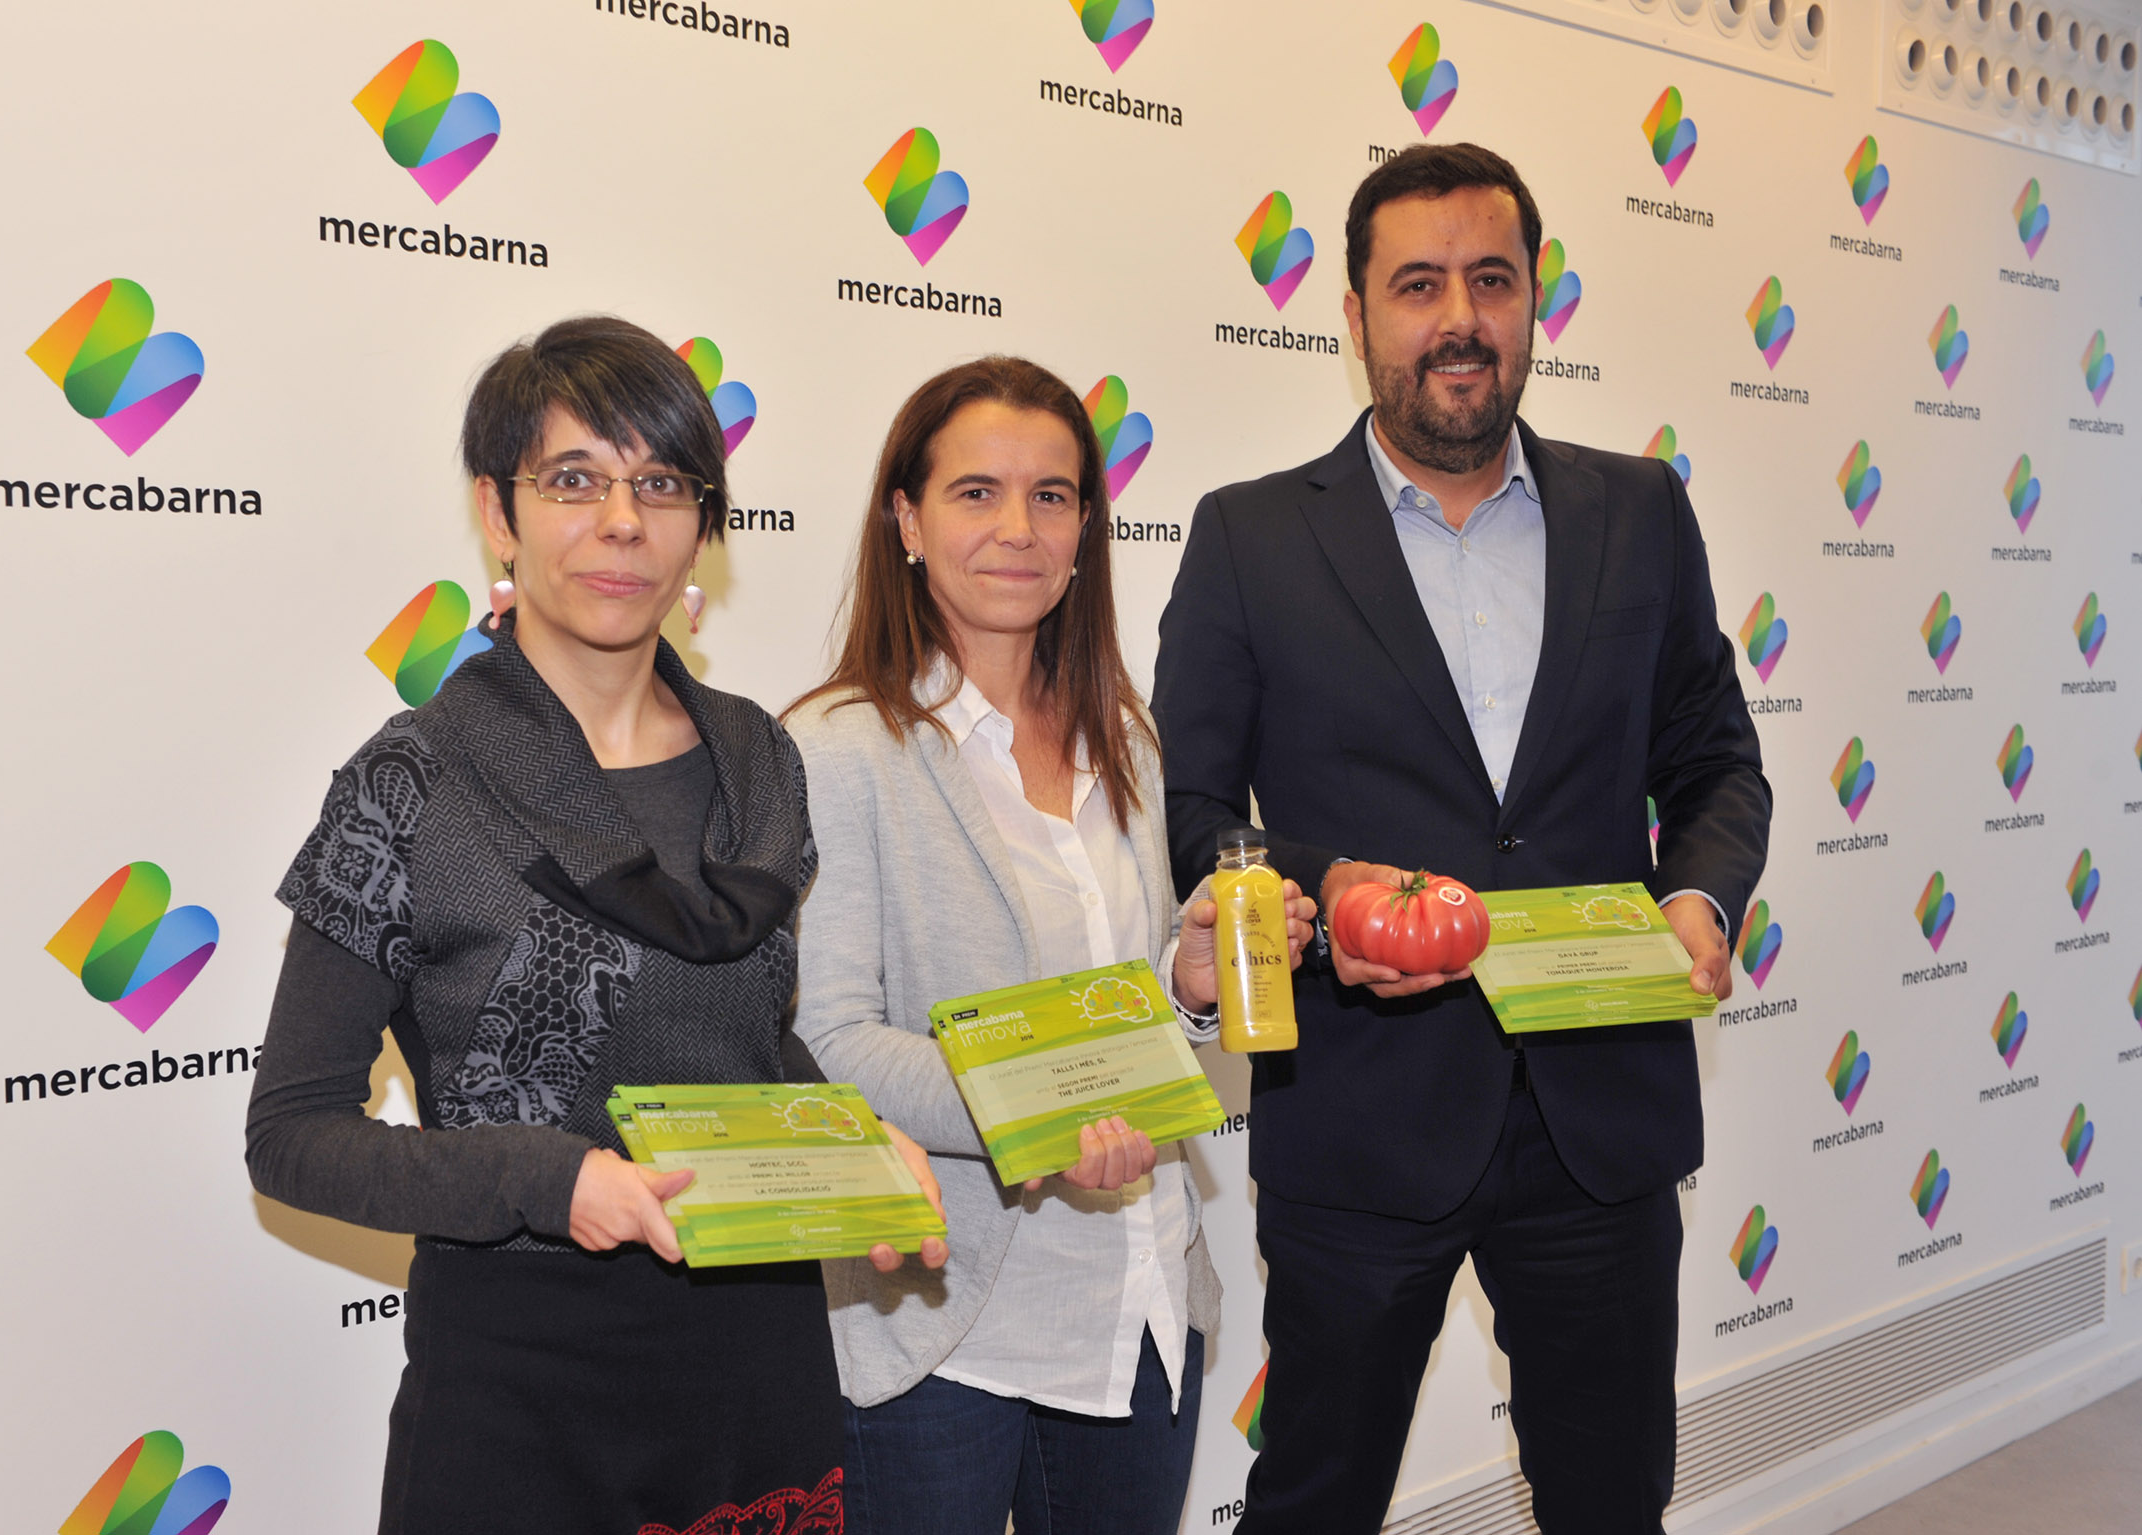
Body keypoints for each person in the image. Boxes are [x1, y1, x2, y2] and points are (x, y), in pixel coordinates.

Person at [1152, 144, 1772, 1533]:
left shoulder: (1641, 510)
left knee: (1610, 1501)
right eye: (1417, 283)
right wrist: (1327, 895)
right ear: (1354, 313)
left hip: (1598, 1117)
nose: (1459, 318)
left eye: (1490, 280)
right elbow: (1191, 814)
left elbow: (1713, 761)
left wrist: (1699, 899)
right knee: (1313, 1501)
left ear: (1533, 299)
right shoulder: (1250, 537)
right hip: (1360, 1118)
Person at [244, 315, 943, 1535]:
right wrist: (549, 1177)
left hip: (757, 1367)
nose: (624, 521)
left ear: (701, 523)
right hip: (522, 1391)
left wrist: (850, 1143)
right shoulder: (413, 781)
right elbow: (291, 1135)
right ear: (497, 511)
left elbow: (742, 1043)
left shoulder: (758, 759)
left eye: (662, 484)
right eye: (574, 480)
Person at [785, 357, 1315, 1535]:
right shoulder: (835, 747)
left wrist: (1185, 983)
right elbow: (829, 1041)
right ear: (905, 520)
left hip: (1138, 1302)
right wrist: (1048, 1118)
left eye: (1051, 495)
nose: (1016, 528)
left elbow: (1121, 1016)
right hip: (941, 1328)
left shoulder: (1123, 735)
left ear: (1084, 529)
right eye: (975, 492)